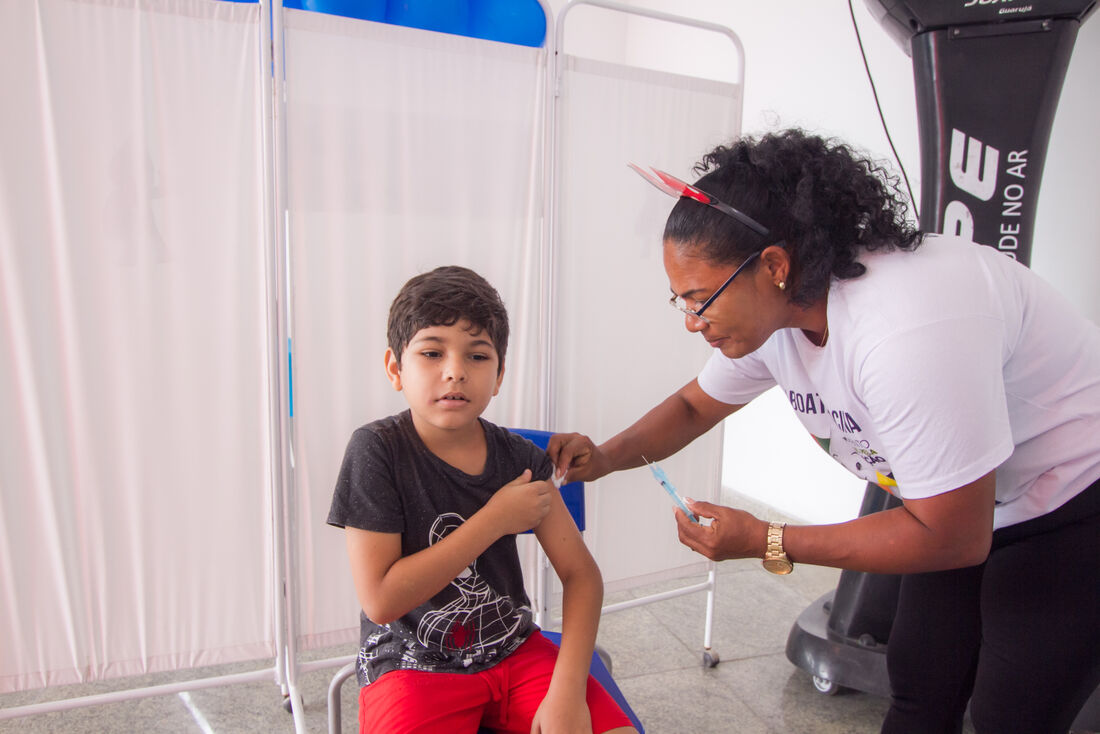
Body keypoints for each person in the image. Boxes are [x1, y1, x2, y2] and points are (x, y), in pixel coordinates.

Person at [548, 129, 1100, 734]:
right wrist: (603, 458)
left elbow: (953, 537)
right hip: (963, 495)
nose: (692, 323)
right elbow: (693, 405)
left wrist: (769, 539)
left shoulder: (903, 332)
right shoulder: (779, 313)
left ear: (775, 266)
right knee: (922, 678)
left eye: (701, 300)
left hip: (1074, 495)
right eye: (681, 301)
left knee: (1012, 712)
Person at [327, 265, 636, 734]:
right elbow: (382, 600)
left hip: (512, 649)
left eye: (477, 356)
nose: (454, 371)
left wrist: (567, 694)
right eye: (431, 352)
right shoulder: (376, 451)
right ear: (396, 368)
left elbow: (582, 575)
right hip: (412, 666)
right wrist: (494, 520)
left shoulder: (517, 458)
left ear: (499, 374)